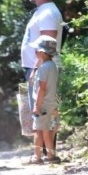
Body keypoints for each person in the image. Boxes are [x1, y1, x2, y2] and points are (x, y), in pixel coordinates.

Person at [26, 35, 61, 164]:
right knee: (47, 130)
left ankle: (39, 157)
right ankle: (51, 156)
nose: (35, 52)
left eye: (36, 50)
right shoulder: (53, 66)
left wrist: (37, 105)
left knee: (39, 131)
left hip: (43, 105)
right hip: (51, 103)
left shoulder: (43, 68)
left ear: (42, 52)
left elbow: (42, 89)